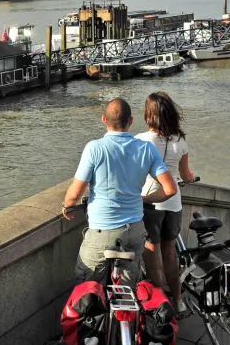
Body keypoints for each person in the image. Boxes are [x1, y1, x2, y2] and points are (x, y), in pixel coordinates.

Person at [63, 97, 178, 286]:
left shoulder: (94, 148)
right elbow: (170, 189)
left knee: (88, 288)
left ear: (103, 120)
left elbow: (74, 195)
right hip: (134, 230)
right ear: (131, 121)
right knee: (127, 289)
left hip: (102, 230)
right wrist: (143, 198)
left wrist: (66, 206)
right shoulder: (146, 148)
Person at [137, 92, 196, 316]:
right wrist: (190, 178)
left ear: (149, 115)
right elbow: (186, 174)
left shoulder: (142, 140)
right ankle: (179, 301)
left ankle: (159, 305)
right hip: (173, 203)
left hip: (150, 203)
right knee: (170, 254)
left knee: (153, 257)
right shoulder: (180, 141)